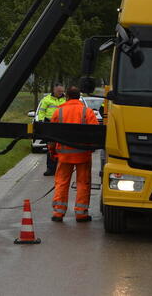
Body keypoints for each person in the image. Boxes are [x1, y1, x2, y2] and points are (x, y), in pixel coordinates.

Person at [49, 86, 99, 222]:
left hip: (64, 156)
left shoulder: (58, 112)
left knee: (61, 182)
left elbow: (52, 135)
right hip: (83, 155)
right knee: (83, 183)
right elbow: (95, 133)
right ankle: (81, 213)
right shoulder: (87, 112)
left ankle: (58, 213)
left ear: (67, 97)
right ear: (79, 97)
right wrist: (91, 148)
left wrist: (52, 151)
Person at [36, 84, 66, 176]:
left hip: (63, 125)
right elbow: (41, 112)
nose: (60, 93)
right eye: (58, 91)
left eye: (62, 91)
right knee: (51, 148)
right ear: (54, 90)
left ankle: (61, 169)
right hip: (50, 124)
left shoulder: (66, 99)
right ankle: (50, 168)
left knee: (62, 148)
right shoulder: (46, 100)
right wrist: (41, 123)